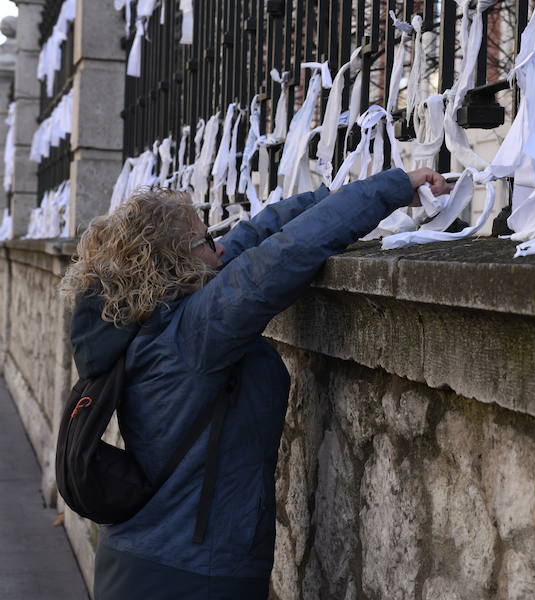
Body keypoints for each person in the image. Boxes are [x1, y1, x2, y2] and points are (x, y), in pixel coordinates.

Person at [59, 167, 448, 599]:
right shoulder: (192, 336)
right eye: (205, 240)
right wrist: (390, 188)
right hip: (189, 577)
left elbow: (248, 241)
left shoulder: (146, 320)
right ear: (175, 263)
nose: (218, 246)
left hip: (149, 557)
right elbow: (283, 256)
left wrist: (329, 196)